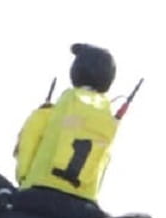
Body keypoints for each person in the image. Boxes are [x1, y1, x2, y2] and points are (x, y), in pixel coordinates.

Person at [13, 43, 124, 203]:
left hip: (38, 191)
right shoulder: (108, 121)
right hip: (84, 203)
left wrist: (23, 179)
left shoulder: (50, 111)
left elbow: (27, 145)